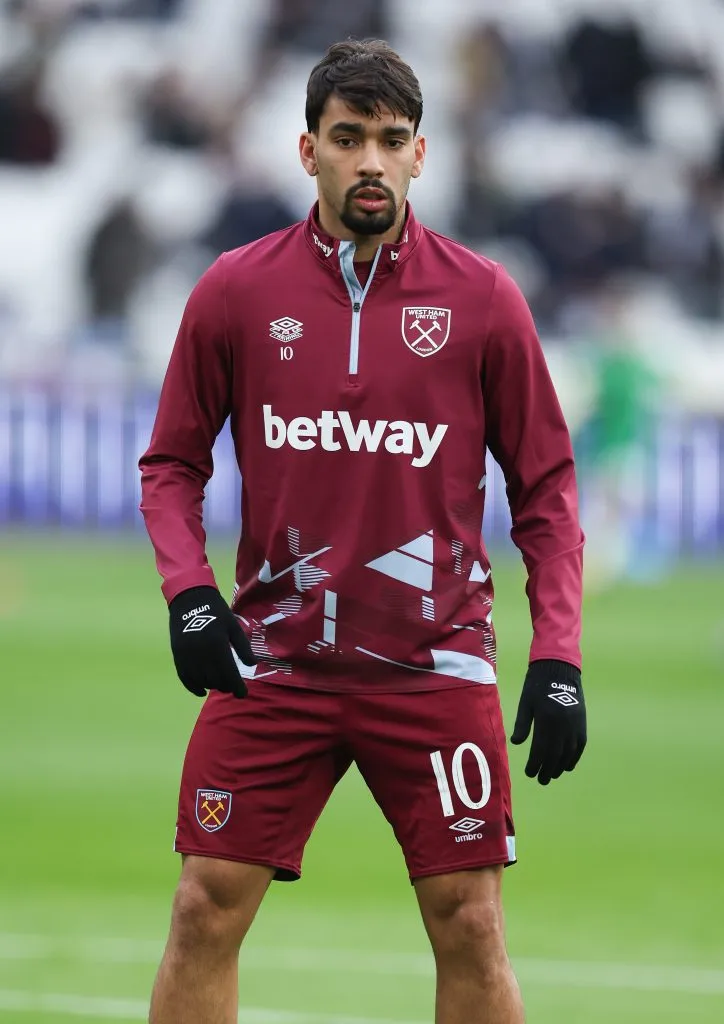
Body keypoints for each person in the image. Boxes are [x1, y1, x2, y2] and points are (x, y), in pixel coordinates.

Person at [139, 39, 586, 1024]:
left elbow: (546, 488)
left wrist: (558, 655)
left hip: (435, 665)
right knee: (203, 910)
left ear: (422, 155)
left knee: (468, 920)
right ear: (308, 151)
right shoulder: (235, 291)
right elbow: (171, 464)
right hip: (276, 661)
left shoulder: (482, 301)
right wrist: (189, 592)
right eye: (349, 138)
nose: (371, 161)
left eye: (392, 139)